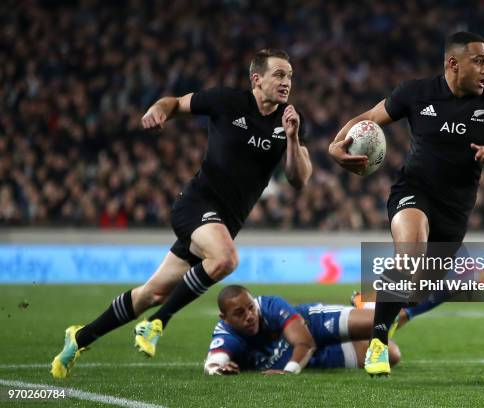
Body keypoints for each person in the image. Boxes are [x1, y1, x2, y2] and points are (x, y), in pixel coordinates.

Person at [51, 49, 312, 378]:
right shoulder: (226, 101)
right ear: (256, 79)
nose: (286, 82)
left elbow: (299, 179)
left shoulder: (289, 121)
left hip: (223, 223)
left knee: (152, 293)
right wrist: (157, 109)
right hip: (196, 205)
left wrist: (292, 139)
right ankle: (158, 323)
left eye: (289, 76)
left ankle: (79, 337)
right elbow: (174, 103)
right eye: (279, 74)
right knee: (226, 259)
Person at [328, 31, 484, 376]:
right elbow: (370, 119)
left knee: (419, 289)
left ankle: (371, 303)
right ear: (454, 63)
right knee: (411, 252)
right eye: (479, 61)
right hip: (413, 191)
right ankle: (377, 344)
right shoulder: (415, 93)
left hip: (455, 211)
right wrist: (336, 145)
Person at [203, 285, 402, 375]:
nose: (249, 316)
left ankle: (364, 304)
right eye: (239, 313)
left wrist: (288, 372)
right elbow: (213, 361)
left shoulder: (271, 306)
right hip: (310, 358)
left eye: (251, 308)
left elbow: (305, 343)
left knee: (383, 320)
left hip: (311, 325)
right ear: (225, 319)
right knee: (392, 354)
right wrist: (217, 370)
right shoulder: (226, 334)